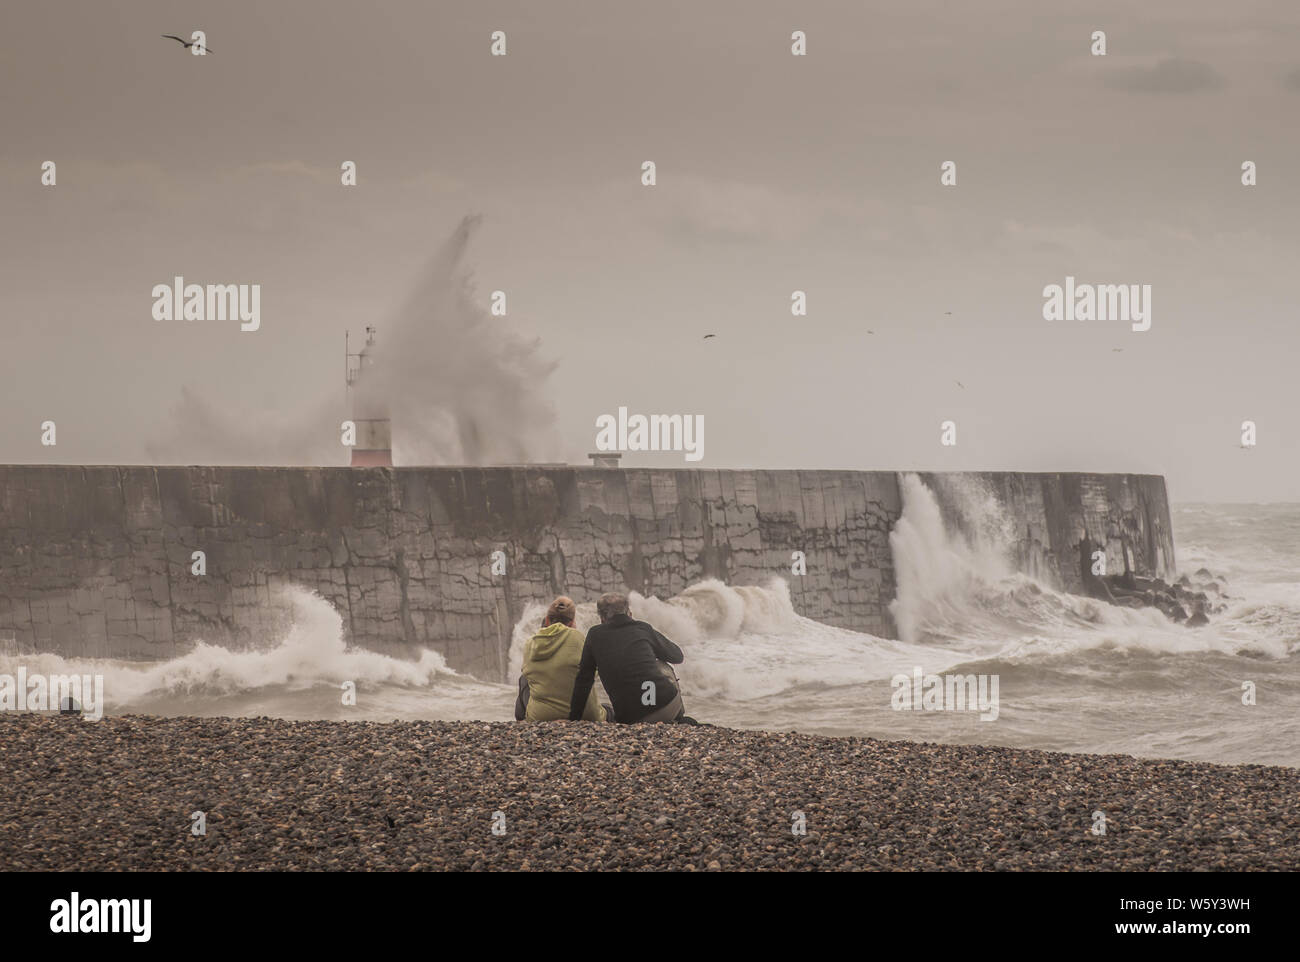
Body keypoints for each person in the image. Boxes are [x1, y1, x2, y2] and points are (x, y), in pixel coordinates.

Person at [567, 592, 693, 724]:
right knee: (661, 665)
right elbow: (677, 656)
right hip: (666, 705)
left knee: (608, 707)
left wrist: (573, 719)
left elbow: (584, 680)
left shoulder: (594, 635)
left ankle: (671, 717)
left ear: (602, 618)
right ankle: (678, 717)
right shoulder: (642, 628)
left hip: (630, 718)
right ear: (629, 612)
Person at [515, 596, 610, 722]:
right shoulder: (579, 638)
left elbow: (528, 671)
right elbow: (596, 671)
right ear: (572, 623)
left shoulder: (530, 644)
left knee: (524, 678)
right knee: (608, 709)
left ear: (547, 620)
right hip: (585, 715)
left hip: (540, 717)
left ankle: (521, 719)